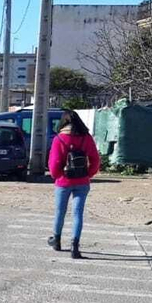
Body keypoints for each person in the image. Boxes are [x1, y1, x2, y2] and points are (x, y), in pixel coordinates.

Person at [46, 111, 101, 259]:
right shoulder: (86, 138)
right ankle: (74, 247)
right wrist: (89, 174)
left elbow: (55, 162)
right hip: (82, 181)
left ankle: (56, 241)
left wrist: (57, 175)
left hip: (63, 181)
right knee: (78, 213)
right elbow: (95, 159)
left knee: (60, 211)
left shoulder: (59, 139)